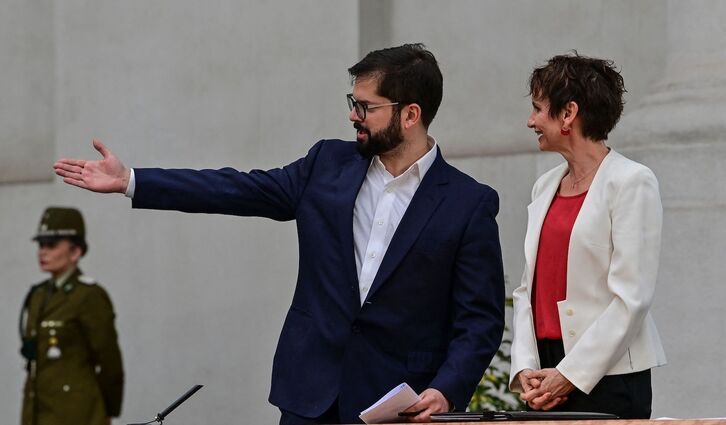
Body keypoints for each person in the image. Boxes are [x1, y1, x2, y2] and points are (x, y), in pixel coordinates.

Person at [53, 43, 505, 424]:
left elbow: (479, 320)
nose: (353, 116)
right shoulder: (326, 165)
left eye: (365, 106)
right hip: (308, 395)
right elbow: (236, 188)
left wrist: (446, 389)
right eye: (353, 103)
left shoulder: (468, 203)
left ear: (410, 114)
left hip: (398, 406)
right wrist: (131, 179)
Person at [509, 53, 667, 419]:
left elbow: (632, 296)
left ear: (568, 114)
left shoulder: (631, 181)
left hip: (608, 375)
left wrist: (570, 373)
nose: (530, 121)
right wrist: (525, 368)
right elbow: (526, 289)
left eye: (537, 109)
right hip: (545, 374)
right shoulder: (544, 186)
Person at [19, 207, 124, 425]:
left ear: (75, 252)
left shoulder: (89, 296)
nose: (42, 252)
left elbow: (109, 362)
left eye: (51, 245)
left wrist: (107, 411)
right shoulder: (38, 295)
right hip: (38, 412)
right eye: (41, 245)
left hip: (78, 413)